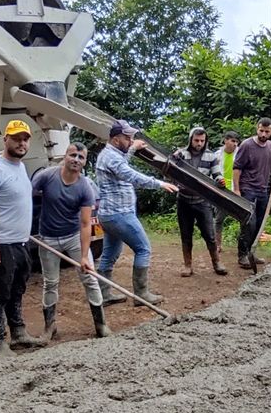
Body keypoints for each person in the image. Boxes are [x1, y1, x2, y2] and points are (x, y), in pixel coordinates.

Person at [0, 120, 46, 357]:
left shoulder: (20, 168)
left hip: (21, 242)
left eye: (25, 139)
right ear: (5, 139)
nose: (22, 143)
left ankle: (18, 333)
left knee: (18, 289)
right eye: (16, 138)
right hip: (2, 244)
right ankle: (0, 342)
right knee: (1, 292)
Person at [32, 142, 112, 339]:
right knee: (50, 283)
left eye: (81, 157)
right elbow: (27, 197)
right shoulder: (47, 176)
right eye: (73, 155)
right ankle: (50, 327)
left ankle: (101, 324)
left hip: (73, 237)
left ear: (84, 162)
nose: (76, 160)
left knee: (90, 279)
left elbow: (86, 224)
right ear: (65, 157)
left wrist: (85, 256)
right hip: (48, 238)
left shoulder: (85, 187)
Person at [95, 120, 178, 306]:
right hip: (119, 214)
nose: (131, 140)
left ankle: (104, 295)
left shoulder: (111, 154)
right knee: (143, 248)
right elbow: (131, 175)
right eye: (127, 138)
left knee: (109, 255)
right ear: (116, 140)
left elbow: (121, 163)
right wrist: (160, 183)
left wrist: (131, 149)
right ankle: (141, 294)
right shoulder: (111, 157)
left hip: (109, 214)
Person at [173, 127, 228, 277]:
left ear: (205, 141)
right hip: (183, 200)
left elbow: (216, 173)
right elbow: (171, 171)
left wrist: (220, 180)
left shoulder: (211, 156)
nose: (199, 143)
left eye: (202, 141)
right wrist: (173, 159)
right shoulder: (181, 154)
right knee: (186, 234)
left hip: (202, 201)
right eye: (196, 140)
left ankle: (217, 262)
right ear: (190, 139)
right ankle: (187, 265)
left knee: (209, 234)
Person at [233, 117, 271, 269]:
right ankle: (242, 255)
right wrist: (237, 189)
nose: (263, 134)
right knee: (249, 223)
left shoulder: (270, 145)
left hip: (263, 189)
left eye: (267, 131)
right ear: (257, 129)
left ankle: (251, 252)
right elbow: (237, 167)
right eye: (261, 131)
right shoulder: (247, 145)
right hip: (248, 189)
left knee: (260, 223)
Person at [213, 131, 240, 253]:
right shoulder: (217, 155)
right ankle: (217, 245)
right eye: (233, 141)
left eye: (236, 142)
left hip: (237, 190)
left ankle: (243, 246)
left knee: (243, 218)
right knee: (219, 219)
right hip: (221, 190)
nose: (235, 144)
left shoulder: (240, 154)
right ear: (225, 140)